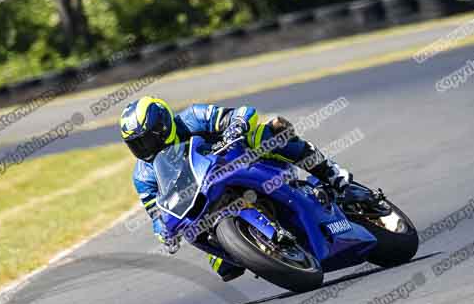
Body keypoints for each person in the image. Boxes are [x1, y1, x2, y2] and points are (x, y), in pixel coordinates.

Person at [120, 96, 352, 282]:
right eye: (137, 145)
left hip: (238, 163)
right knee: (224, 267)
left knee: (268, 134)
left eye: (147, 139)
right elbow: (156, 212)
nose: (144, 148)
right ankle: (265, 248)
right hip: (203, 203)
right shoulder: (143, 175)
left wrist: (236, 127)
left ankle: (329, 171)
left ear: (162, 126)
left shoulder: (193, 117)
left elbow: (242, 112)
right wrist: (162, 231)